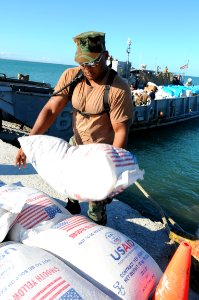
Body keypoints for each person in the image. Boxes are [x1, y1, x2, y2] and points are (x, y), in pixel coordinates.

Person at [15, 31, 133, 225]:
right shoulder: (71, 76)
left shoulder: (118, 88)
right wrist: (28, 143)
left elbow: (121, 131)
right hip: (76, 146)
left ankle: (97, 225)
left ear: (105, 56)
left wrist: (113, 169)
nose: (86, 68)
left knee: (96, 209)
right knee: (70, 192)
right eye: (82, 62)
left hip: (100, 155)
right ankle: (72, 209)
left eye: (92, 62)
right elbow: (51, 109)